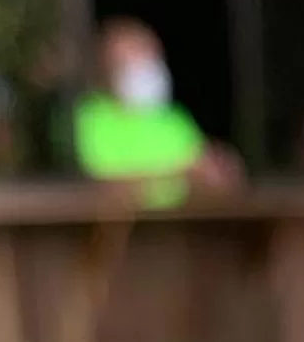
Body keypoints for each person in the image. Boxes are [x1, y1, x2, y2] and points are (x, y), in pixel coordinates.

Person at [74, 19, 240, 208]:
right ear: (105, 68)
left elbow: (205, 170)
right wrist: (180, 177)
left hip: (183, 224)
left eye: (149, 58)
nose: (144, 71)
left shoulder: (174, 118)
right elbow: (105, 185)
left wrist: (220, 170)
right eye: (131, 62)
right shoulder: (91, 118)